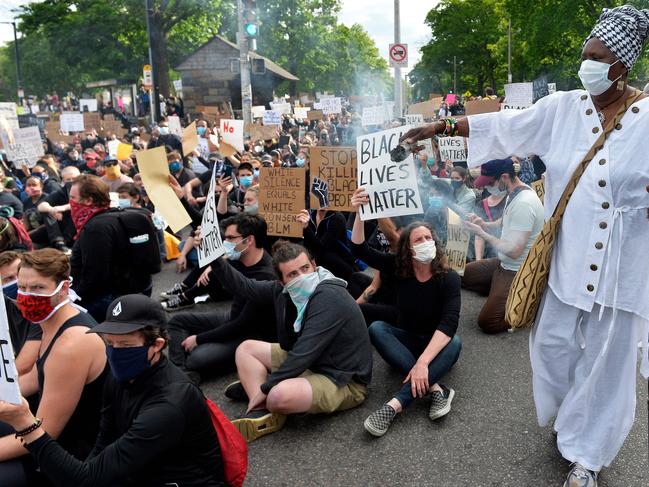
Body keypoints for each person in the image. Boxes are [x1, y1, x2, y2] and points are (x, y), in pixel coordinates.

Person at [402, 6, 649, 484]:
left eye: (598, 57)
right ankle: (575, 415)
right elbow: (503, 126)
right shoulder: (564, 108)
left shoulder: (648, 118)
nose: (588, 64)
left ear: (622, 66)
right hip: (566, 259)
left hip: (624, 267)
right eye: (585, 54)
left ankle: (588, 457)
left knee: (607, 363)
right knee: (552, 346)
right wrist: (441, 126)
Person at [0, 294, 226, 486]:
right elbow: (103, 440)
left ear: (156, 345)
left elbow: (86, 480)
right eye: (110, 343)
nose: (115, 353)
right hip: (139, 470)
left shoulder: (170, 403)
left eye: (126, 345)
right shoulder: (121, 378)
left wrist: (27, 424)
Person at [212, 241, 372, 442]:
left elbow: (304, 352)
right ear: (282, 282)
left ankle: (267, 397)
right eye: (293, 274)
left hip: (342, 380)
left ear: (314, 265)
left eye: (305, 268)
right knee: (246, 349)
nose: (302, 277)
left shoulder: (330, 296)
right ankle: (258, 407)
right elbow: (245, 287)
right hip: (312, 363)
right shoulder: (285, 292)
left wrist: (267, 387)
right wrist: (214, 259)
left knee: (278, 395)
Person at [349, 189, 461, 437]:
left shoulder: (449, 278)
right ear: (408, 249)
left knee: (455, 343)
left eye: (428, 238)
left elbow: (449, 322)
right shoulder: (399, 268)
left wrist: (422, 362)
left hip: (435, 345)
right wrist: (359, 213)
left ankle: (395, 404)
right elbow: (360, 250)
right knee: (377, 328)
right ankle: (435, 389)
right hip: (407, 338)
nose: (426, 243)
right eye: (418, 240)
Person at [0, 249, 107, 486]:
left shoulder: (71, 344)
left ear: (64, 288)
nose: (27, 296)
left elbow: (43, 434)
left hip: (71, 455)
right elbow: (37, 378)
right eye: (23, 287)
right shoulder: (51, 322)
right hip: (50, 433)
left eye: (38, 288)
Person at [168, 214, 277, 382]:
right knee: (177, 321)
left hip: (251, 334)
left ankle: (186, 370)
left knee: (197, 359)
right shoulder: (241, 257)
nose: (226, 242)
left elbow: (242, 325)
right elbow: (220, 265)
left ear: (249, 240)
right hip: (232, 318)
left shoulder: (266, 275)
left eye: (231, 238)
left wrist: (199, 339)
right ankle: (181, 374)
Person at [463, 159, 544, 334]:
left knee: (487, 322)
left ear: (505, 177)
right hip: (502, 263)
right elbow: (505, 220)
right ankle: (499, 291)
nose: (487, 187)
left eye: (490, 182)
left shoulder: (524, 202)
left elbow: (514, 251)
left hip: (517, 270)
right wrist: (485, 224)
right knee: (462, 274)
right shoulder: (513, 192)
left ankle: (529, 303)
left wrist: (483, 234)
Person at [69, 174, 154, 321]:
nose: (70, 202)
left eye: (73, 198)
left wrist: (73, 299)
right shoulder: (113, 216)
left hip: (110, 299)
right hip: (134, 290)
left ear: (88, 200)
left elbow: (95, 276)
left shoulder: (95, 228)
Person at [0, 251, 40, 376]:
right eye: (9, 279)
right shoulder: (6, 304)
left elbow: (24, 365)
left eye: (19, 275)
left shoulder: (40, 307)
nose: (17, 282)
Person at [473, 179, 507, 260]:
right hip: (489, 254)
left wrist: (484, 224)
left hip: (508, 252)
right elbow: (479, 236)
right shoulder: (481, 204)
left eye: (492, 182)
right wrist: (479, 261)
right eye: (487, 183)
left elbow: (503, 221)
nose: (490, 185)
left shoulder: (511, 199)